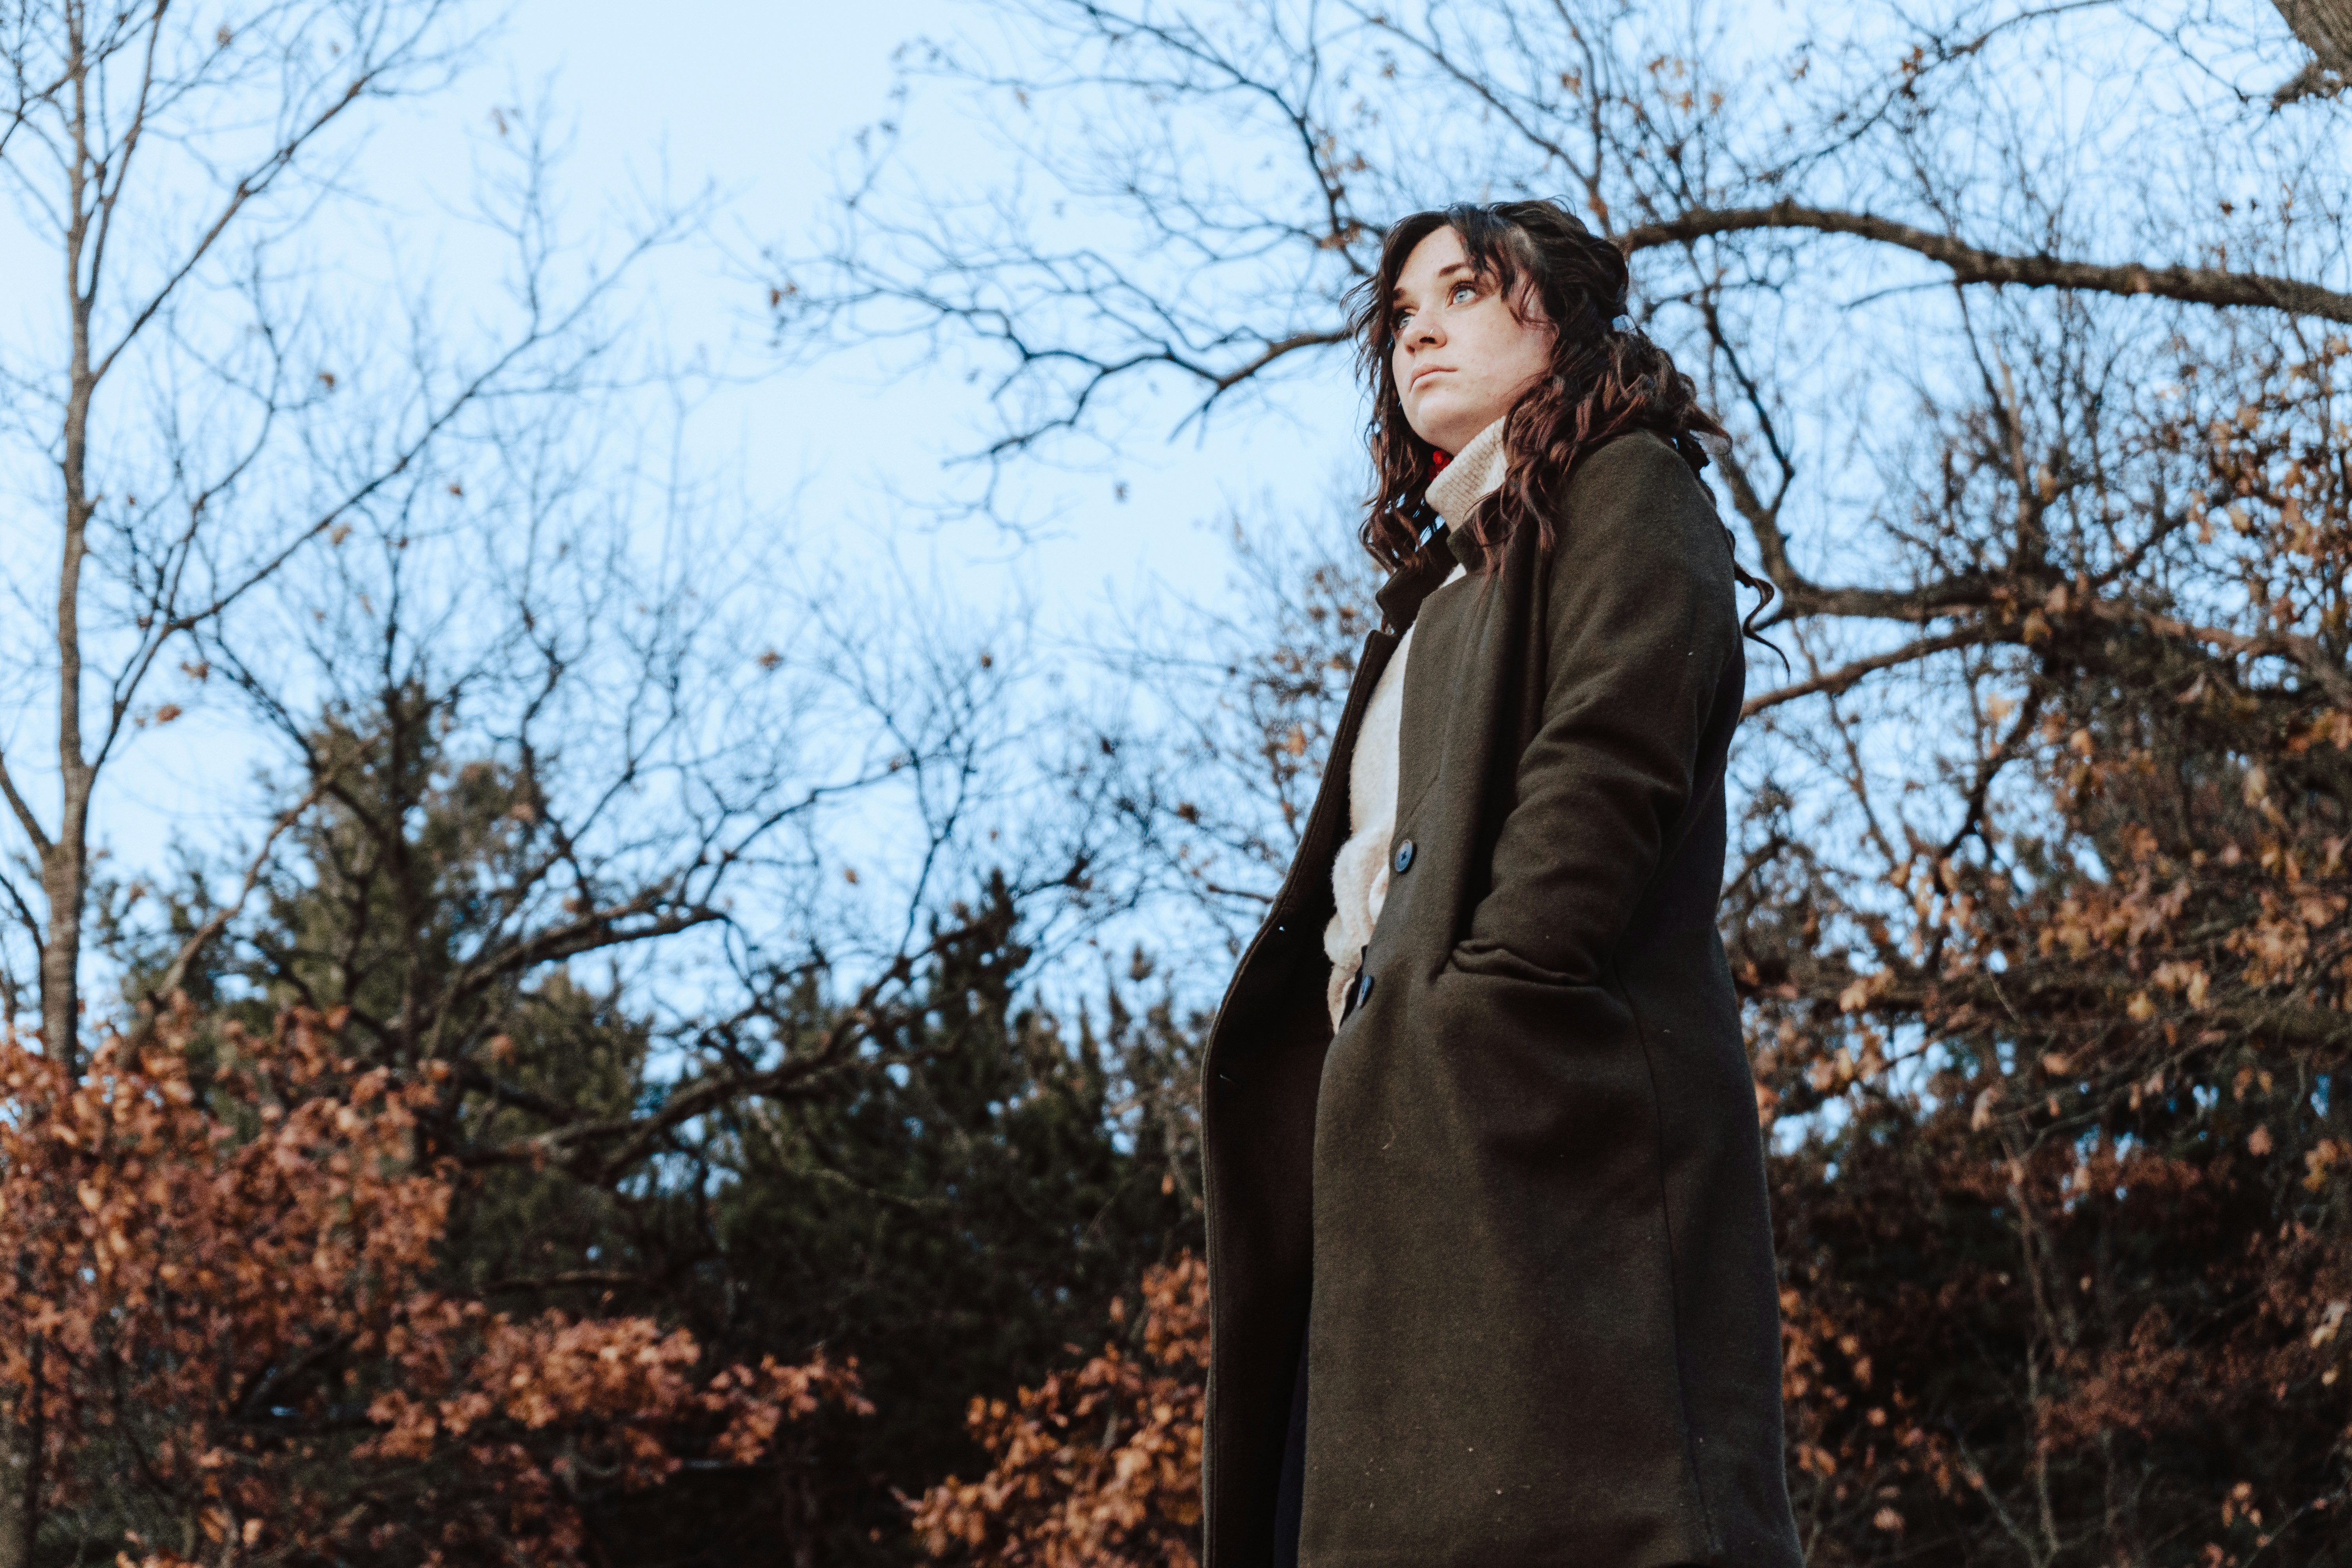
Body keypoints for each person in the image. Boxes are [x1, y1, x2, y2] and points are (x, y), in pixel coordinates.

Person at [1196, 199, 1804, 1568]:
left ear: (1565, 315)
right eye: (1401, 317)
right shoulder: (1439, 594)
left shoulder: (1630, 485)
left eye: (1462, 292)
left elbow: (1611, 751)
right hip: (1392, 1142)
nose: (1419, 334)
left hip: (1529, 1118)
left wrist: (1500, 1000)